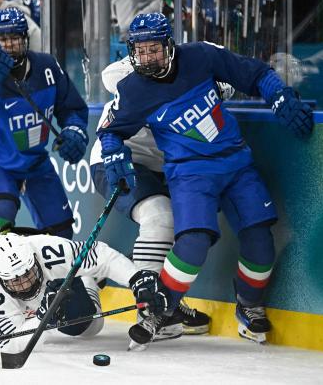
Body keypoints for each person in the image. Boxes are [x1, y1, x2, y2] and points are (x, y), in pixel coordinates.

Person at [96, 12, 314, 348]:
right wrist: (114, 156)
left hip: (236, 165)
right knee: (192, 244)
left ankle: (250, 303)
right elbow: (111, 131)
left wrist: (278, 94)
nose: (147, 57)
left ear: (169, 45)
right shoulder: (133, 89)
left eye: (154, 49)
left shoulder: (201, 56)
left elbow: (254, 73)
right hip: (190, 174)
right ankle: (161, 310)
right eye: (140, 51)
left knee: (261, 243)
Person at [90, 56, 238, 340]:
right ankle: (148, 309)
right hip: (119, 160)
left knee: (187, 229)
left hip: (168, 166)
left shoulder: (188, 63)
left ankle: (167, 303)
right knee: (159, 217)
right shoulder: (137, 70)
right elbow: (111, 75)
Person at [0, 230, 168, 359]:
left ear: (32, 259)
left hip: (52, 285)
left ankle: (87, 281)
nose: (25, 283)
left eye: (28, 272)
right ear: (1, 278)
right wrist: (43, 317)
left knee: (91, 328)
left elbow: (101, 255)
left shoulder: (46, 250)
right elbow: (12, 346)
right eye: (16, 280)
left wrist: (136, 280)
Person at [0, 7, 87, 245]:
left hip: (36, 163)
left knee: (61, 233)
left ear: (25, 39)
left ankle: (56, 281)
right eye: (1, 39)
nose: (8, 45)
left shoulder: (48, 67)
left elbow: (72, 108)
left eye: (14, 38)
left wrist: (74, 132)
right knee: (1, 213)